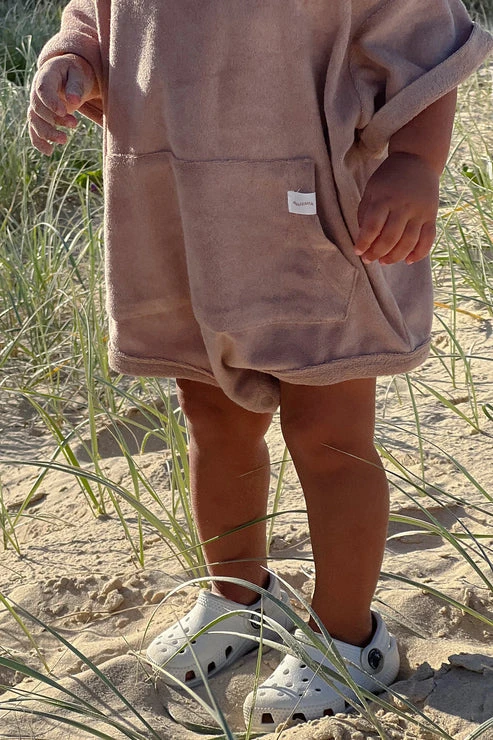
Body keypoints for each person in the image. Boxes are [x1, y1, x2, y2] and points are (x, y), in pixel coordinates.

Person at [28, 0, 493, 731]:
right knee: (212, 422)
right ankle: (237, 599)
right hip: (179, 214)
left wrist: (414, 163)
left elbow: (425, 37)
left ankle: (349, 639)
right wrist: (74, 58)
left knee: (329, 438)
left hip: (319, 216)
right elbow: (104, 17)